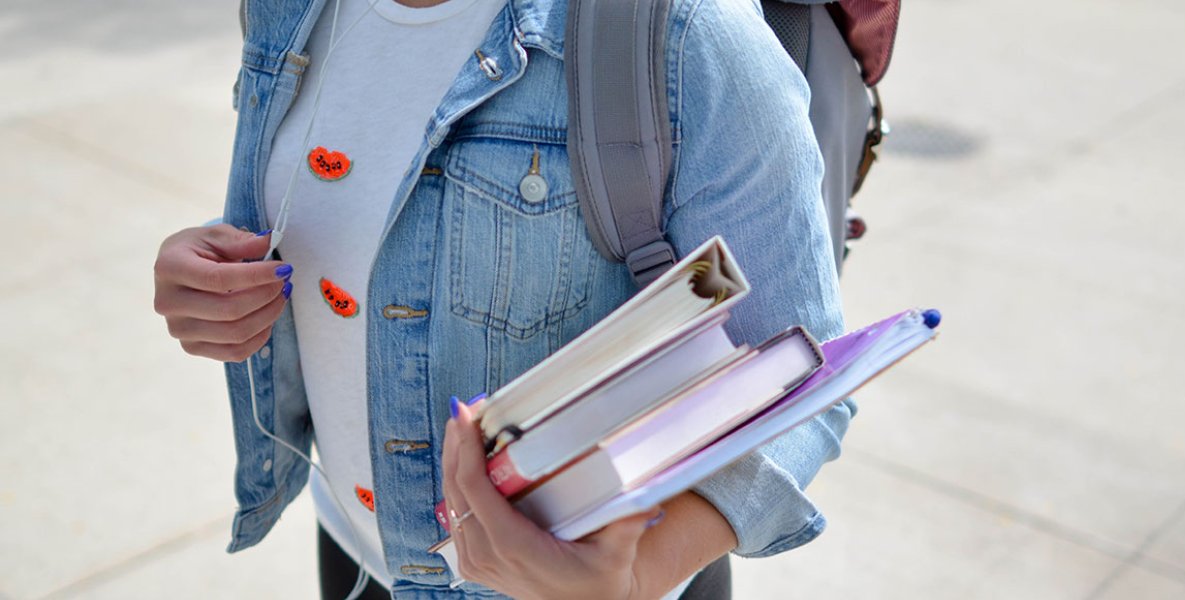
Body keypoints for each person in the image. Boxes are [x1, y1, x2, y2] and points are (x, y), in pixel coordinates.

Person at [152, 0, 862, 597]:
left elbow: (800, 371)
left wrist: (638, 574)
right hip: (353, 549)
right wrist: (211, 282)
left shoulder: (684, 30)